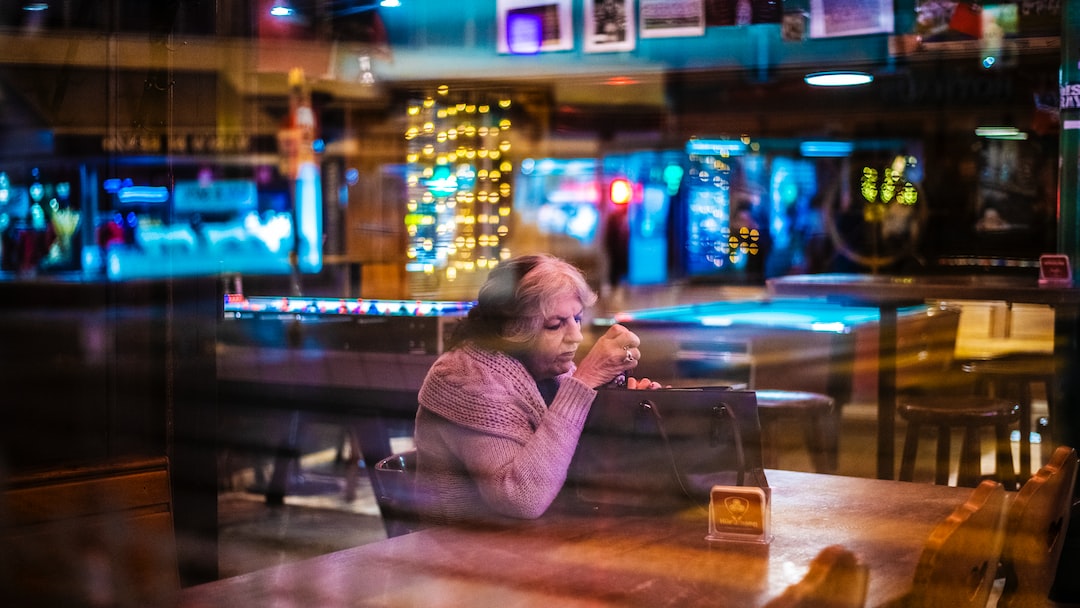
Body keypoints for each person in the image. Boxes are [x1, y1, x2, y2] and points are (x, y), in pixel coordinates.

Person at [413, 253, 660, 526]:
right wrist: (583, 383)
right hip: (461, 554)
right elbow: (521, 499)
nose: (576, 335)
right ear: (513, 331)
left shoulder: (546, 367)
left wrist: (620, 406)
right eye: (555, 324)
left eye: (577, 319)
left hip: (539, 540)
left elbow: (572, 458)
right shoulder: (466, 377)